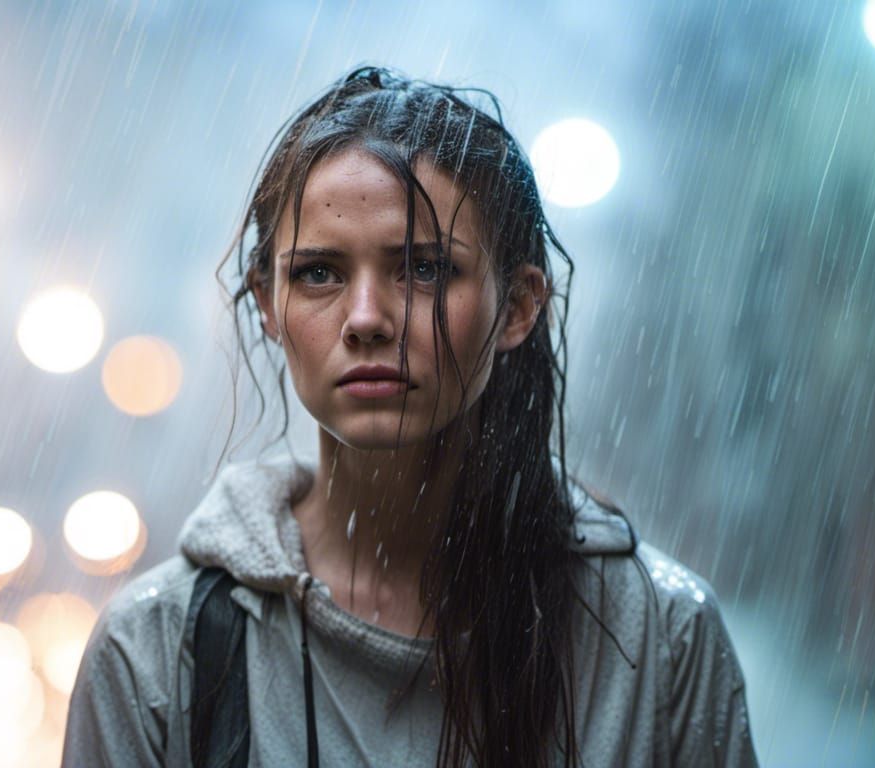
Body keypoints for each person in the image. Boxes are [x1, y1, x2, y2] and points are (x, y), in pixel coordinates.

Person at [63, 66, 757, 767]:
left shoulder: (659, 639)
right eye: (318, 273)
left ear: (517, 306)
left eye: (422, 269)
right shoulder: (156, 654)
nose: (366, 319)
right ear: (268, 305)